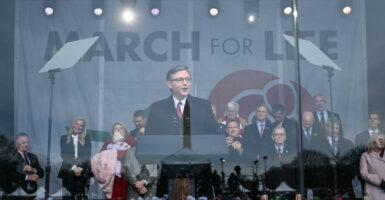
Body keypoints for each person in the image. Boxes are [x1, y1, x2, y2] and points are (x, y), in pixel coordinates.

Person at [145, 65, 218, 135]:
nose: (185, 83)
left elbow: (213, 136)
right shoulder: (157, 108)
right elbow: (150, 138)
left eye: (188, 79)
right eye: (180, 80)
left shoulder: (203, 106)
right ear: (169, 84)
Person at [99, 122, 136, 200]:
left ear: (125, 130)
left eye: (120, 128)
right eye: (115, 129)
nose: (118, 130)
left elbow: (129, 155)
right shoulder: (109, 142)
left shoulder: (130, 140)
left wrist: (113, 154)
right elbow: (101, 155)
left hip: (126, 174)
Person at [58, 117, 91, 200]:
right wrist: (74, 168)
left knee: (81, 197)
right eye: (77, 124)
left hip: (82, 172)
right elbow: (64, 155)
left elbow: (87, 155)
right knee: (68, 197)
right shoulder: (63, 138)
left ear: (82, 128)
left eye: (81, 125)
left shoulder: (87, 138)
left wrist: (79, 169)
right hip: (68, 171)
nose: (78, 126)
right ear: (73, 125)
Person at [6, 133, 44, 199]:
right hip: (16, 195)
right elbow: (10, 174)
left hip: (31, 194)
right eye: (23, 143)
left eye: (27, 142)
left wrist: (33, 170)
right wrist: (28, 177)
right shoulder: (11, 157)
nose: (26, 145)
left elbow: (41, 173)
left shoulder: (32, 156)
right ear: (16, 144)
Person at [359, 132, 385, 199]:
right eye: (378, 139)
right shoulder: (365, 155)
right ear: (373, 141)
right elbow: (363, 173)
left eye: (383, 139)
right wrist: (380, 182)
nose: (381, 141)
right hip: (373, 193)